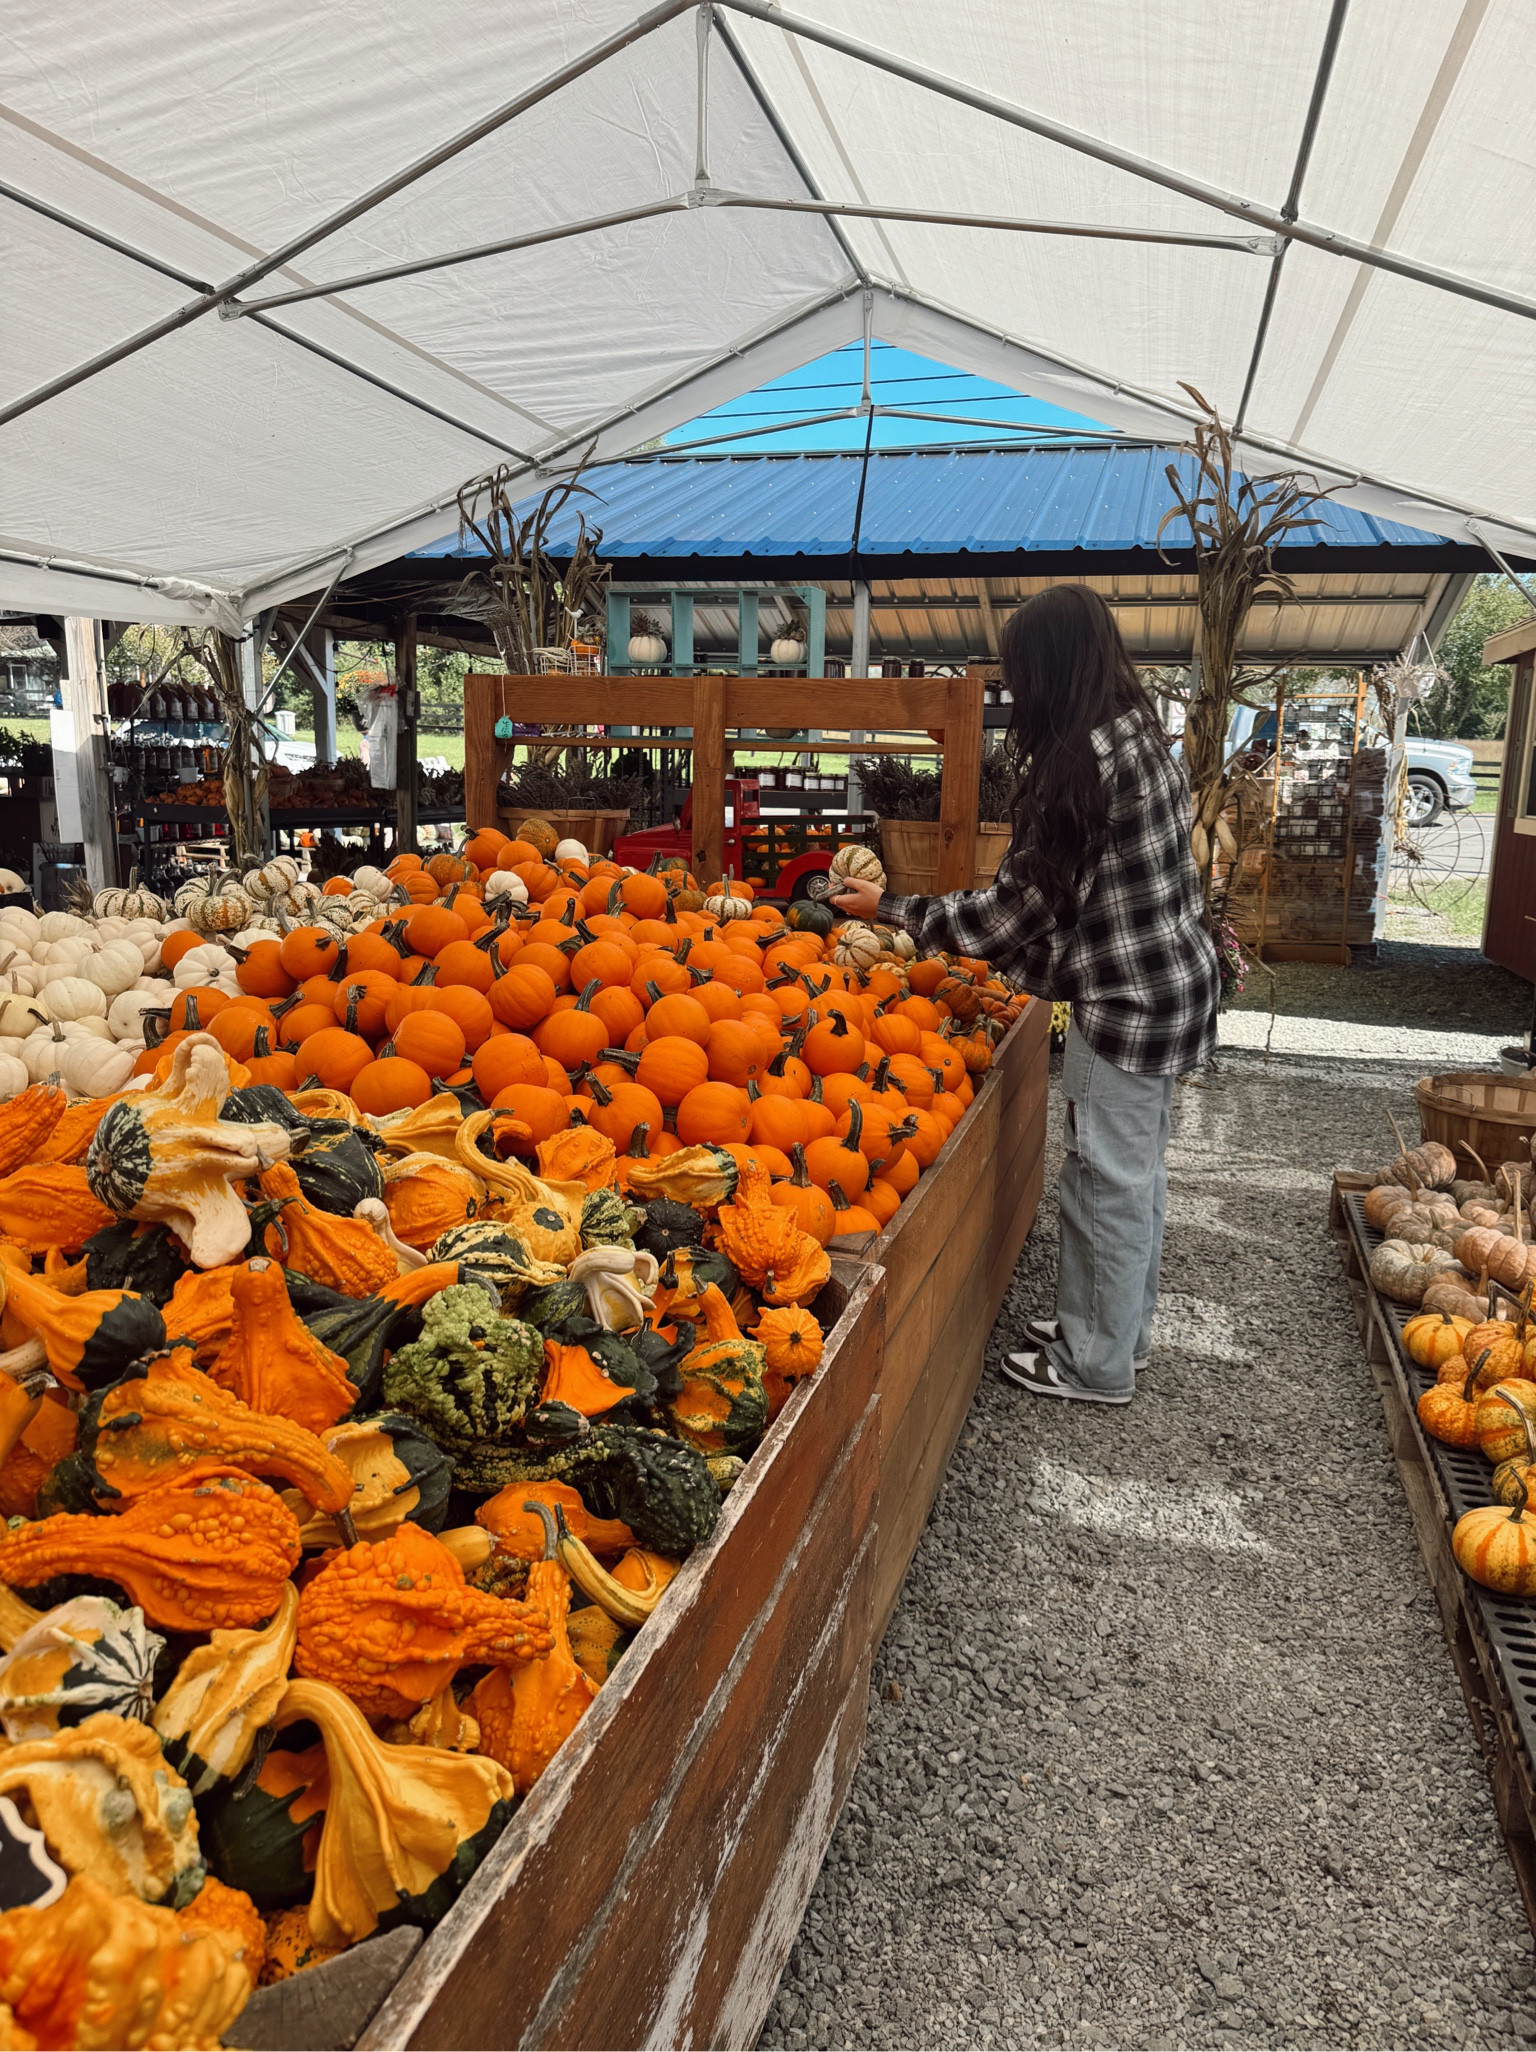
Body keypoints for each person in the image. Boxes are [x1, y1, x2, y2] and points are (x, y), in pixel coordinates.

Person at [828, 585, 1219, 1406]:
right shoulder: (1139, 731)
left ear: (1051, 669)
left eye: (1018, 673)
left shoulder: (1084, 766)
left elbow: (1015, 913)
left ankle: (1094, 1364)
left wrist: (893, 909)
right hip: (1169, 985)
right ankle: (1117, 1333)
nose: (1013, 690)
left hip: (1125, 1003)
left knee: (1103, 1182)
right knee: (1135, 1177)